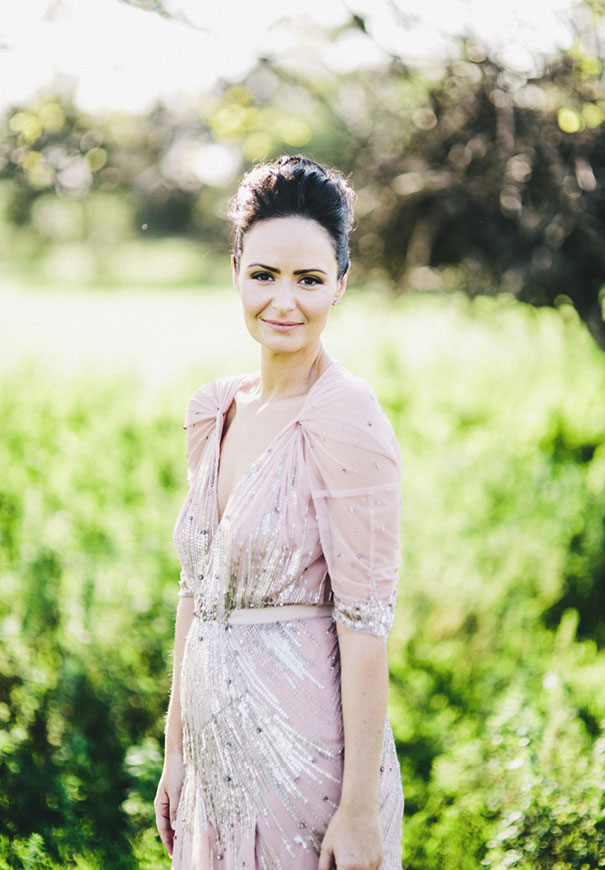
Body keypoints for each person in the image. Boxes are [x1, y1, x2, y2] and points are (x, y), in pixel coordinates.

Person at [154, 154, 404, 869]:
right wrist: (177, 751)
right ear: (236, 271)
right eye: (264, 275)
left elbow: (365, 622)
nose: (283, 302)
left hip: (308, 767)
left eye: (309, 280)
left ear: (340, 284)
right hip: (213, 767)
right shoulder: (213, 410)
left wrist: (357, 811)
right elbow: (196, 590)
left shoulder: (346, 417)